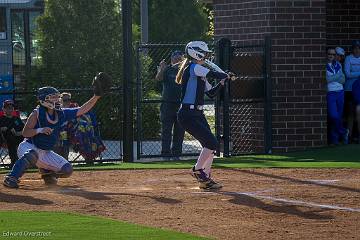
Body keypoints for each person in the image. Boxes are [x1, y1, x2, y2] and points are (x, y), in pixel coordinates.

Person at [3, 72, 110, 188]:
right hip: (29, 147)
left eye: (57, 97)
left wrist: (96, 96)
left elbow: (82, 109)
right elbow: (25, 132)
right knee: (32, 155)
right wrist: (40, 130)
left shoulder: (61, 113)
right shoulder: (37, 113)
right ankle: (11, 177)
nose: (57, 100)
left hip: (46, 151)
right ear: (44, 100)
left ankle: (47, 173)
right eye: (53, 97)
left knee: (67, 170)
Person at [176, 41, 229, 190]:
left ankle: (205, 178)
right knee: (211, 143)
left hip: (197, 114)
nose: (206, 56)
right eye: (203, 53)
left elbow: (211, 94)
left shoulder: (200, 72)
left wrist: (223, 82)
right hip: (187, 114)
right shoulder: (194, 68)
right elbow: (213, 73)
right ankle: (198, 170)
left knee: (211, 145)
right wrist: (224, 74)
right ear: (195, 53)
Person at [155, 50, 185, 159]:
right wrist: (162, 69)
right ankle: (165, 154)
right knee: (166, 130)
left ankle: (176, 154)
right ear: (171, 59)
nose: (177, 59)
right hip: (167, 104)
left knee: (180, 131)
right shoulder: (166, 69)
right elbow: (158, 78)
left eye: (179, 58)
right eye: (175, 57)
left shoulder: (185, 70)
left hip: (181, 105)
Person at [325, 47, 348, 145]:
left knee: (338, 116)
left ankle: (335, 139)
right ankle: (344, 132)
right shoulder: (324, 65)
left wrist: (333, 78)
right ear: (326, 55)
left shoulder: (338, 64)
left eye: (334, 54)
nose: (331, 56)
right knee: (333, 116)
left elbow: (343, 80)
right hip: (331, 92)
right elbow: (327, 80)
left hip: (340, 92)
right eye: (329, 54)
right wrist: (337, 77)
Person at [344, 40, 360, 142]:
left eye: (358, 48)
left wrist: (355, 73)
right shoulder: (348, 58)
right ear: (352, 49)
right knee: (350, 113)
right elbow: (347, 74)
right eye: (355, 48)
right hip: (349, 89)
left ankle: (358, 135)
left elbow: (351, 73)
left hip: (359, 90)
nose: (357, 50)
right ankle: (349, 136)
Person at [0, 100, 24, 168]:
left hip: (19, 138)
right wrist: (2, 129)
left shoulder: (16, 118)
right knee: (11, 138)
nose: (10, 110)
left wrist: (18, 133)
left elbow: (25, 130)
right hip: (5, 140)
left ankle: (28, 161)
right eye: (7, 108)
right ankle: (14, 162)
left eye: (11, 108)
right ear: (3, 109)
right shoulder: (1, 119)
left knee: (28, 139)